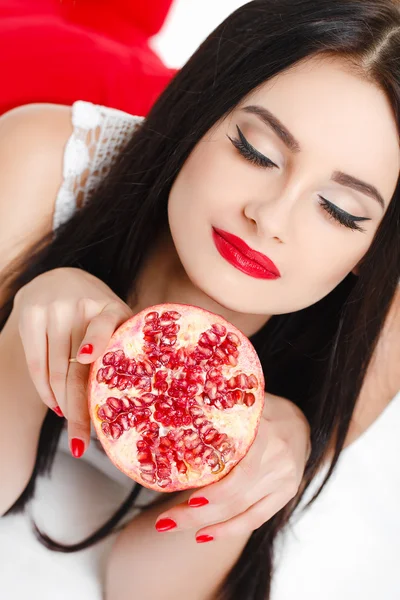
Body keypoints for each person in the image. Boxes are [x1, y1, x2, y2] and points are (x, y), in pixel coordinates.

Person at [0, 1, 399, 598]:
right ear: (201, 114)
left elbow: (147, 590)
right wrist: (23, 337)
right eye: (256, 151)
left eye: (341, 211)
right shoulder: (43, 164)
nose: (268, 219)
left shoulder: (377, 334)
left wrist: (263, 468)